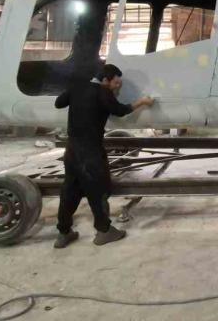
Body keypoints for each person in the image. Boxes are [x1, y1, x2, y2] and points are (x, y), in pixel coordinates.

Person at [53, 64, 155, 248]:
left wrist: (76, 93)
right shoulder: (102, 92)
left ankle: (63, 233)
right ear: (105, 80)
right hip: (91, 152)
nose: (117, 87)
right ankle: (104, 231)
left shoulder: (79, 87)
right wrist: (142, 102)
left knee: (70, 191)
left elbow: (58, 103)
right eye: (116, 83)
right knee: (98, 190)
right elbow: (120, 111)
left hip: (72, 151)